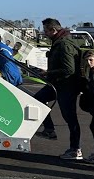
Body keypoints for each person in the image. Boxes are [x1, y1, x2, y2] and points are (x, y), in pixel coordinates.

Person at [33, 17, 85, 160]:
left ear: (53, 30)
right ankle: (49, 129)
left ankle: (75, 149)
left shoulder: (64, 44)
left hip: (67, 85)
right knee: (37, 99)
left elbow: (69, 69)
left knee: (70, 117)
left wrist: (48, 73)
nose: (44, 34)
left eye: (46, 31)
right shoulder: (59, 42)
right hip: (57, 83)